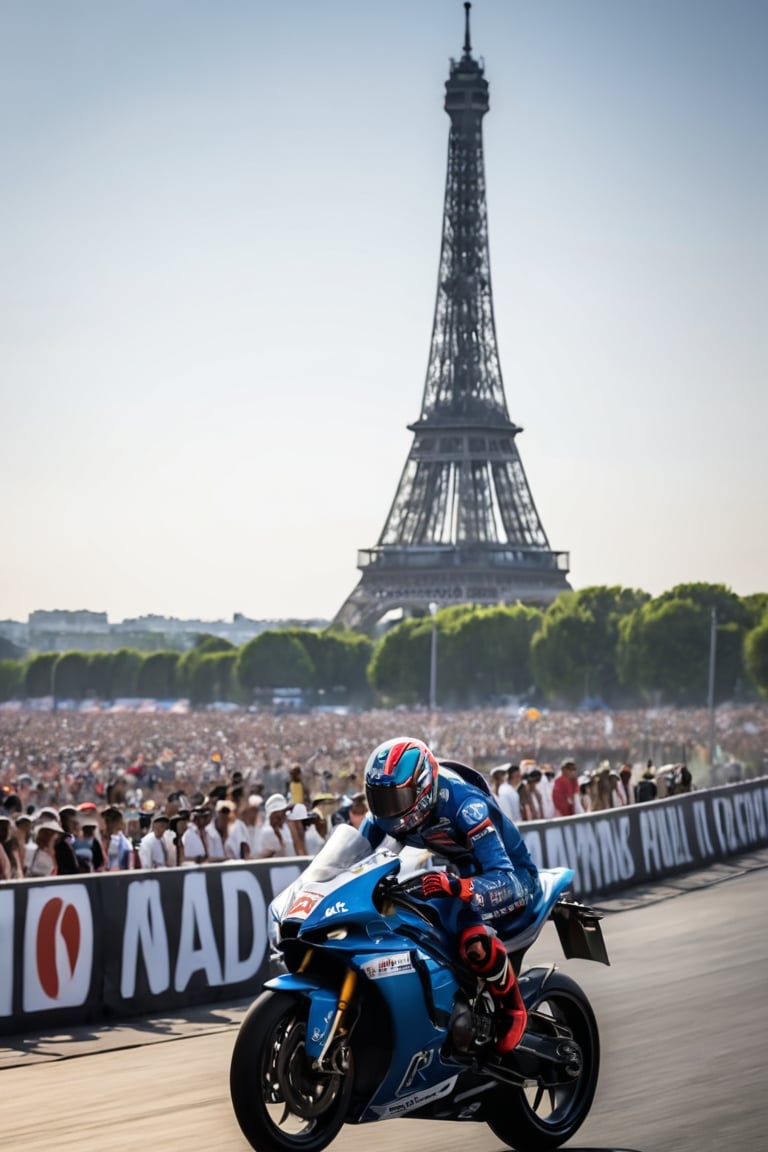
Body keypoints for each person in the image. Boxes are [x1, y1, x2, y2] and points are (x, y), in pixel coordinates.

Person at [361, 737, 541, 1056]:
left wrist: (458, 886)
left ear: (423, 787)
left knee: (471, 940)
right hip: (458, 868)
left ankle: (513, 1009)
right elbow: (356, 861)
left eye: (397, 797)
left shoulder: (465, 805)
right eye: (380, 798)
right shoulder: (382, 816)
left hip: (512, 877)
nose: (388, 808)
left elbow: (504, 875)